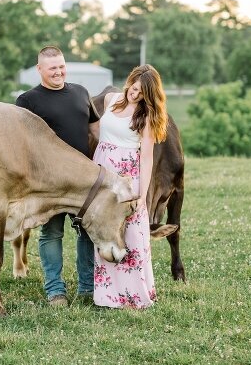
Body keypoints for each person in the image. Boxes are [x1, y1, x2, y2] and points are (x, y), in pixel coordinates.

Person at [15, 46, 100, 306]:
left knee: (87, 232)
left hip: (82, 180)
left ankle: (87, 289)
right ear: (39, 69)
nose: (58, 71)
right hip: (48, 183)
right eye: (52, 68)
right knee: (51, 234)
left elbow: (96, 132)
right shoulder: (27, 101)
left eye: (61, 66)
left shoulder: (81, 93)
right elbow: (21, 143)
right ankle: (55, 291)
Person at [93, 64, 168, 309]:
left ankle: (134, 295)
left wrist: (142, 194)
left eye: (141, 94)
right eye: (134, 88)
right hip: (102, 174)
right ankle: (107, 295)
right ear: (130, 81)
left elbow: (146, 157)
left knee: (132, 235)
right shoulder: (110, 99)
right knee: (105, 230)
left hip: (128, 179)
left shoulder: (146, 116)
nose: (135, 95)